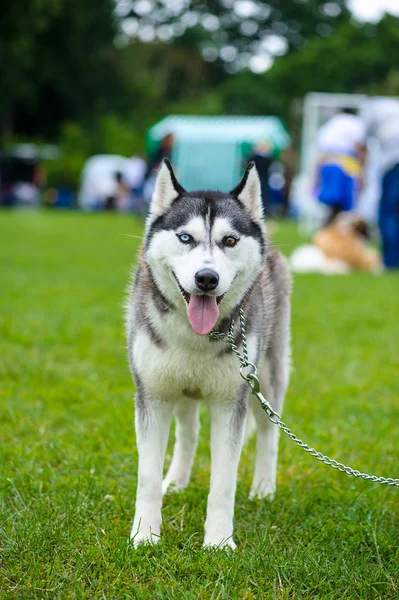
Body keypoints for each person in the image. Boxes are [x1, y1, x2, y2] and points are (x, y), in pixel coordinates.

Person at [361, 98, 399, 269]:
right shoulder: (392, 106)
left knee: (388, 212)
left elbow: (363, 143)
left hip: (394, 162)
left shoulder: (369, 108)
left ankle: (391, 261)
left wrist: (361, 173)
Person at [315, 108, 367, 223]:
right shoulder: (355, 122)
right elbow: (359, 147)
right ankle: (334, 226)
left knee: (332, 202)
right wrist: (362, 172)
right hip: (345, 163)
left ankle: (329, 225)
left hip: (327, 163)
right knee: (344, 203)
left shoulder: (330, 123)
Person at [247, 141, 272, 216]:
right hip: (255, 179)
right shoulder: (255, 156)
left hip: (263, 180)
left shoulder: (266, 158)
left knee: (263, 196)